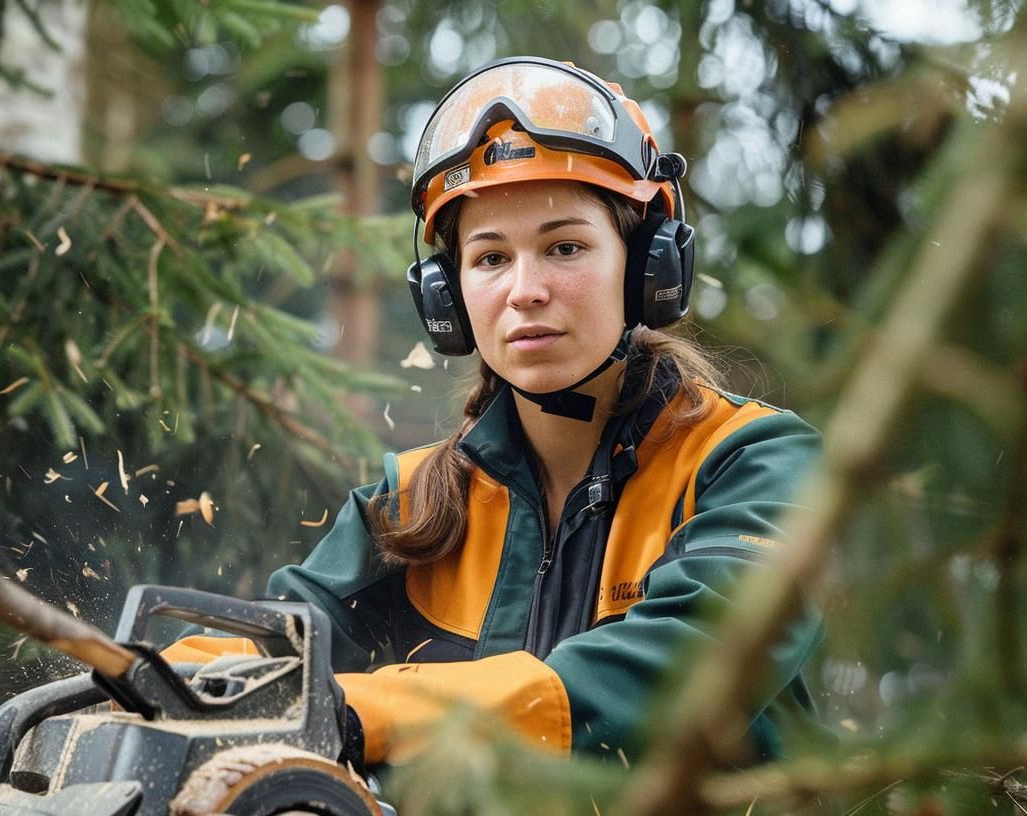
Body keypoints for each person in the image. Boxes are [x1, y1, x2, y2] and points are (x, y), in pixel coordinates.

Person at [165, 56, 823, 769]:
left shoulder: (753, 462)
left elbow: (694, 667)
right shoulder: (413, 501)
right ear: (447, 298)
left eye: (564, 247)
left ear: (648, 270)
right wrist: (158, 681)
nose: (525, 290)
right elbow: (280, 640)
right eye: (489, 259)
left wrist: (368, 711)